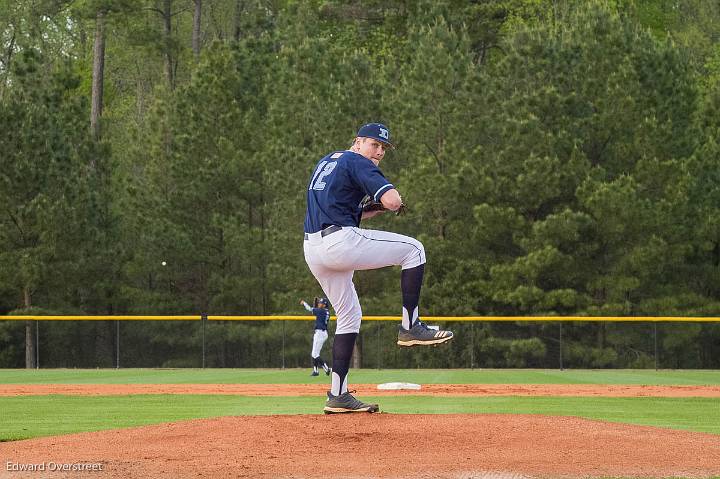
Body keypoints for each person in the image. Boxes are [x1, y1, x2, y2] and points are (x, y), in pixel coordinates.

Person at [302, 122, 454, 414]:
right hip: (339, 243)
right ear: (358, 141)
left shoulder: (328, 162)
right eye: (375, 144)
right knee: (415, 250)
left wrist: (374, 208)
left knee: (349, 316)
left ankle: (338, 395)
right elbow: (392, 199)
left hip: (314, 248)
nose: (380, 152)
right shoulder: (357, 160)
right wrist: (393, 204)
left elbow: (349, 208)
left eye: (384, 148)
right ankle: (411, 327)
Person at [299, 297, 331, 376]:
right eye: (319, 303)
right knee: (315, 353)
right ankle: (316, 371)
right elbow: (316, 311)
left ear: (324, 305)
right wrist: (316, 307)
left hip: (320, 333)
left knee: (315, 354)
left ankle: (327, 369)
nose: (319, 304)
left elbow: (310, 309)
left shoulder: (321, 311)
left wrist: (304, 303)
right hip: (322, 333)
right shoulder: (325, 311)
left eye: (321, 303)